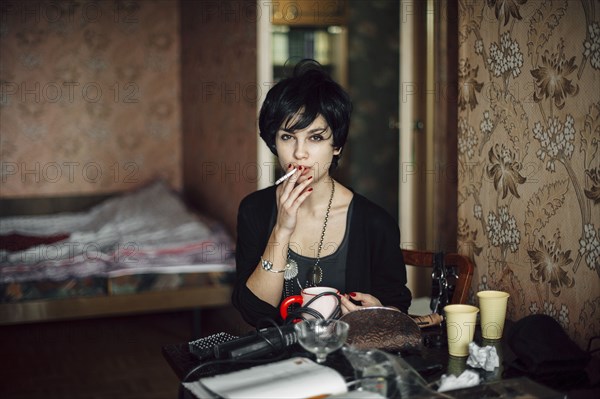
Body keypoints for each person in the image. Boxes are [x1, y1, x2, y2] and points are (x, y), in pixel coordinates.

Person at [232, 59, 411, 326]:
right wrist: (281, 229)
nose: (299, 153)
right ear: (274, 141)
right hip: (279, 359)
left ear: (336, 145)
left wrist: (378, 312)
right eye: (287, 136)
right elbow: (255, 312)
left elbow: (396, 306)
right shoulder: (254, 210)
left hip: (349, 358)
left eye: (315, 137)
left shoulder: (374, 222)